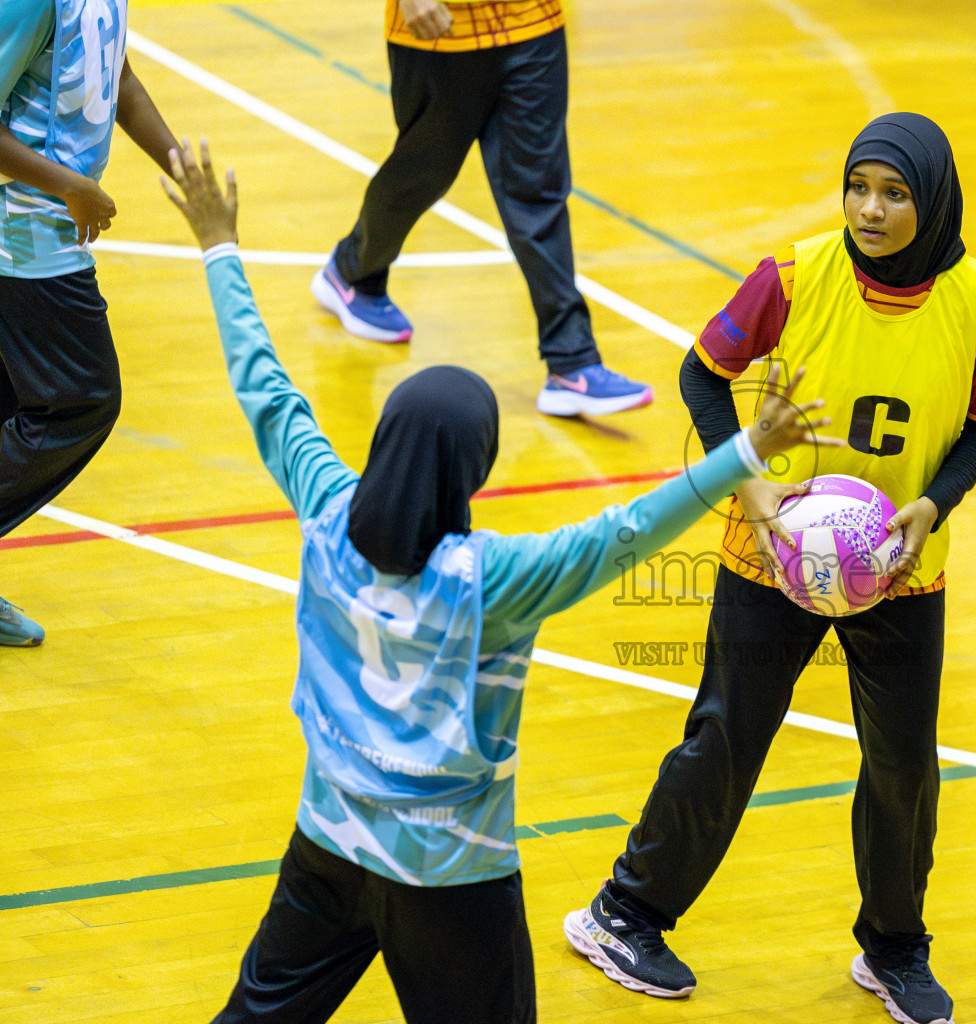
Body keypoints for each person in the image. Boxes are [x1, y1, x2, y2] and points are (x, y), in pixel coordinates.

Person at [160, 141, 835, 1024]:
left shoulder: (325, 511)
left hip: (328, 843)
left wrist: (218, 244)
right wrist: (746, 450)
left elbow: (268, 392)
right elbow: (625, 533)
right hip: (451, 878)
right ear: (471, 471)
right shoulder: (495, 581)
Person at [563, 112, 976, 1024]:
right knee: (727, 739)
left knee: (904, 766)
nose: (870, 209)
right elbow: (702, 373)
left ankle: (894, 947)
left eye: (894, 194)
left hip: (900, 565)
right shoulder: (796, 275)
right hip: (775, 552)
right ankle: (624, 914)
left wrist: (933, 505)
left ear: (934, 203)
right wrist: (748, 483)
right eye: (859, 188)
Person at [309, 0, 652, 418]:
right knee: (422, 176)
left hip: (534, 22)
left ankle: (572, 362)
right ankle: (352, 271)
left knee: (539, 192)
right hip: (441, 30)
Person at [0, 0, 181, 646]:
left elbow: (119, 76)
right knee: (81, 400)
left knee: (10, 403)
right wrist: (71, 187)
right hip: (21, 239)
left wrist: (179, 163)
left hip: (38, 236)